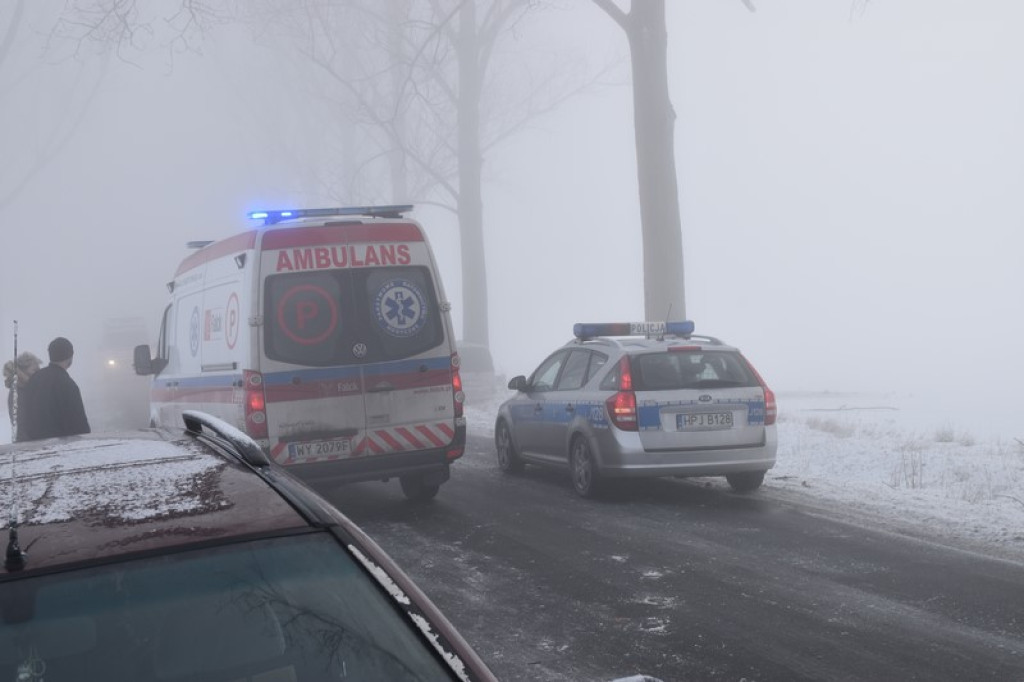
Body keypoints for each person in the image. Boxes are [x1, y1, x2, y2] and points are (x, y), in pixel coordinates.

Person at [23, 337, 90, 440]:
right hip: (60, 446)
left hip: (34, 445)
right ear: (70, 357)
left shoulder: (34, 379)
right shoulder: (68, 385)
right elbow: (79, 425)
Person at [3, 351, 42, 442]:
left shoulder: (28, 388)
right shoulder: (17, 391)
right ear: (22, 371)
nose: (39, 373)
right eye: (35, 370)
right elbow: (20, 424)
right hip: (28, 444)